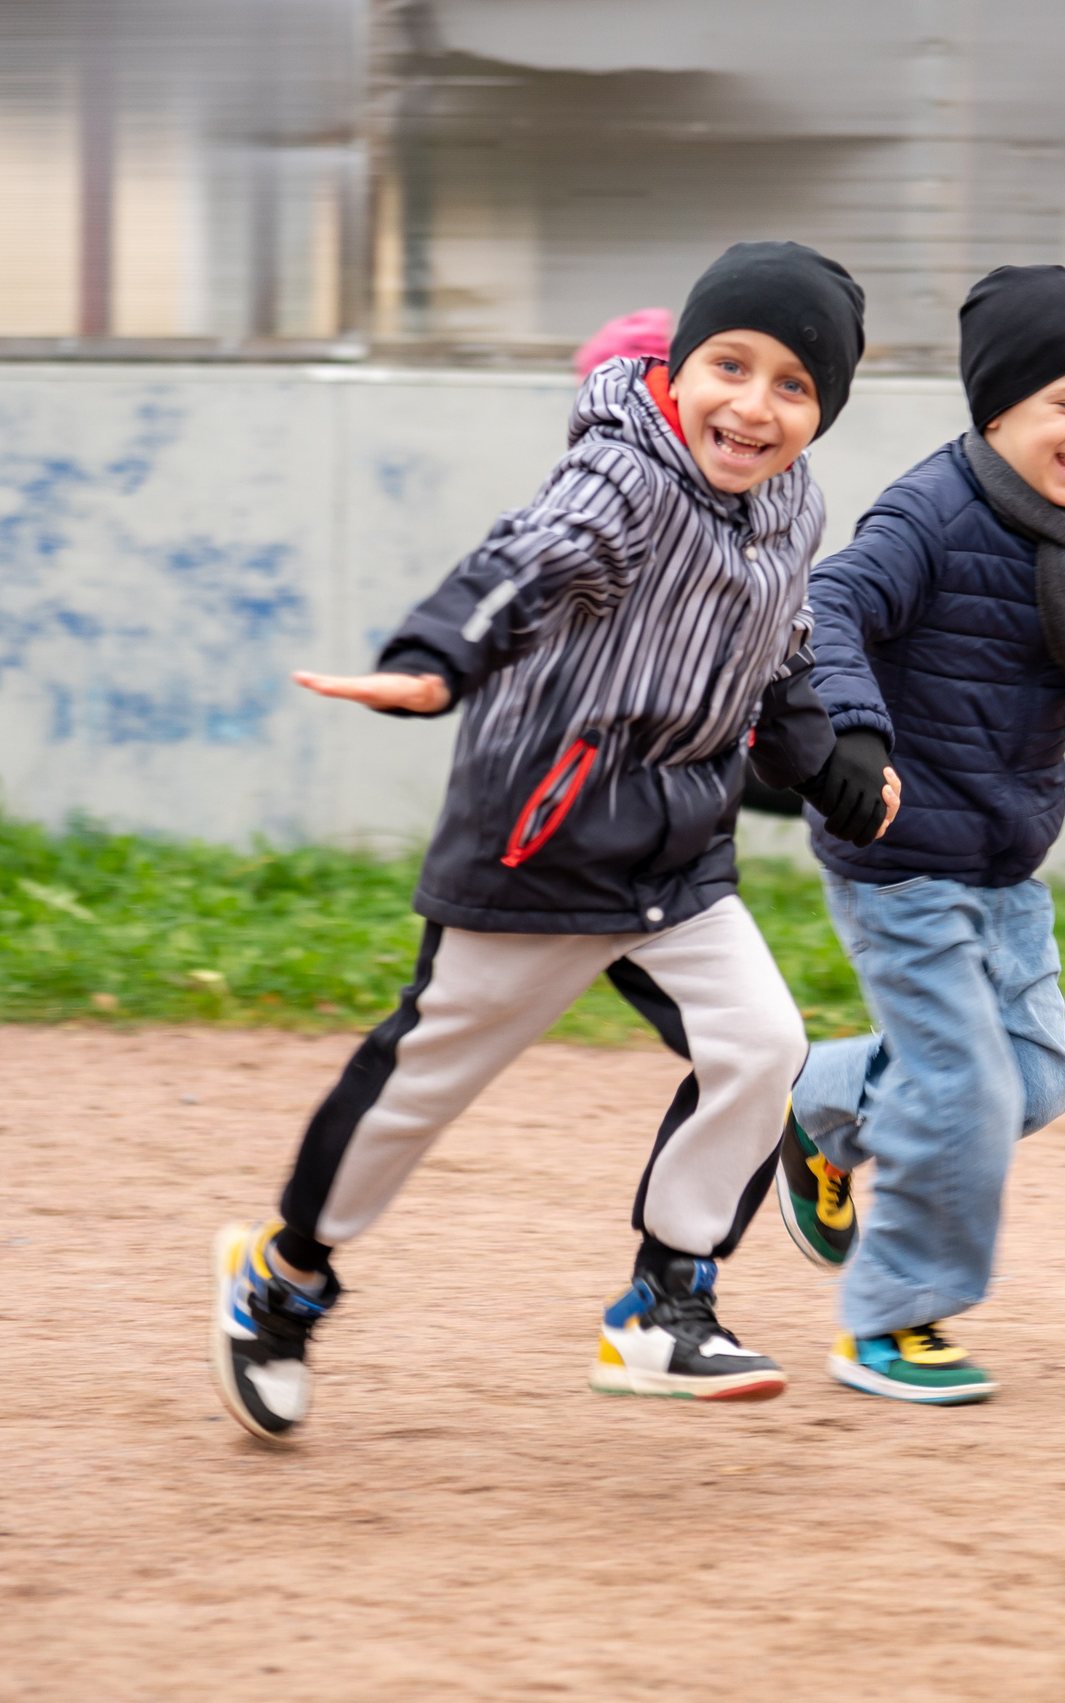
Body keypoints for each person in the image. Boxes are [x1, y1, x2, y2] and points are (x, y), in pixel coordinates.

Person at [211, 241, 901, 1440]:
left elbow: (778, 649)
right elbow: (530, 558)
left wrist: (826, 766)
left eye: (795, 385)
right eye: (729, 364)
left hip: (678, 844)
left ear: (821, 413)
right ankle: (285, 1279)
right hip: (544, 837)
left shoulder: (791, 503)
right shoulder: (620, 477)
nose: (753, 403)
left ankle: (664, 1304)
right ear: (679, 367)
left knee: (762, 1043)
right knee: (422, 1085)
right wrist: (437, 661)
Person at [769, 264, 1065, 1404]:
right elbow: (831, 608)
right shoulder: (929, 514)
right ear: (996, 405)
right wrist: (856, 740)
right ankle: (890, 1317)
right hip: (903, 852)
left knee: (1034, 1081)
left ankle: (823, 1101)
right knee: (961, 1091)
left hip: (1008, 854)